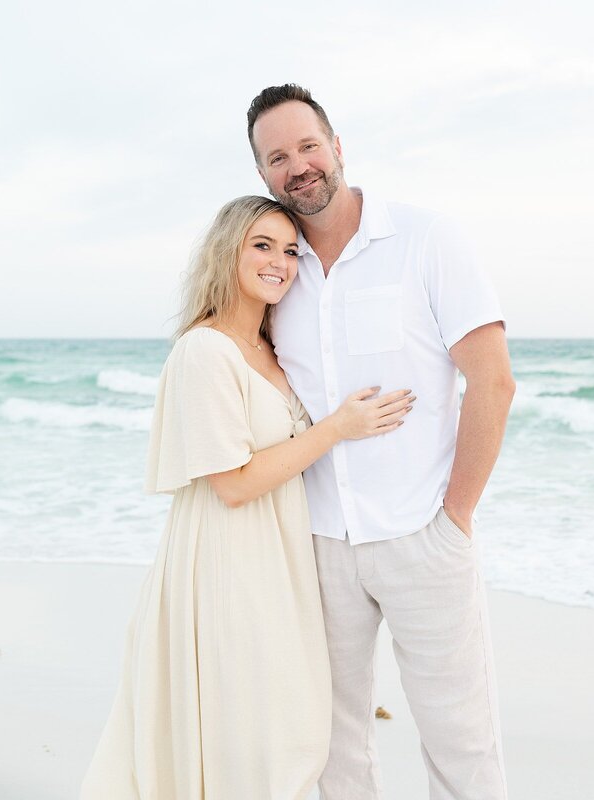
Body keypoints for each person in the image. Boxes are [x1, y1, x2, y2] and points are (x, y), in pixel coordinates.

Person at [79, 195, 413, 800]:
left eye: (291, 251)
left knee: (290, 730)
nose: (280, 262)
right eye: (262, 246)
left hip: (281, 562)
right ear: (226, 251)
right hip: (227, 566)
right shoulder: (204, 351)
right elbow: (231, 483)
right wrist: (337, 427)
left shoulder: (272, 346)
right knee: (254, 736)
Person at [247, 84, 516, 800]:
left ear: (337, 148)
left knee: (461, 745)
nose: (297, 166)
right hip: (320, 543)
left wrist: (455, 520)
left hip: (422, 533)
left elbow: (492, 382)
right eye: (277, 158)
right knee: (334, 751)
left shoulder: (427, 240)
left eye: (308, 146)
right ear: (264, 177)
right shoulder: (277, 274)